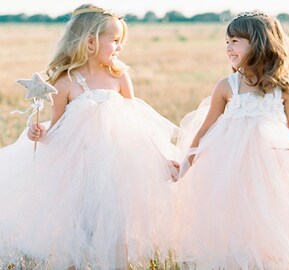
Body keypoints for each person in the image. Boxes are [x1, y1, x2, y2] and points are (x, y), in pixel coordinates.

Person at [0, 4, 179, 270]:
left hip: (116, 169)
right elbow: (58, 131)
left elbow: (138, 124)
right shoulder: (64, 82)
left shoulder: (119, 77)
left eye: (121, 42)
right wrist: (39, 133)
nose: (119, 48)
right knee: (80, 230)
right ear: (91, 42)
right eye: (115, 41)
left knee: (117, 228)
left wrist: (161, 158)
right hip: (79, 171)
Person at [174, 11, 289, 270]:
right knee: (236, 221)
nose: (228, 47)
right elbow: (204, 131)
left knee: (272, 221)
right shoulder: (227, 87)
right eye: (227, 41)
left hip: (272, 171)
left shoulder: (284, 87)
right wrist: (186, 166)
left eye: (236, 41)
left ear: (260, 44)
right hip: (232, 171)